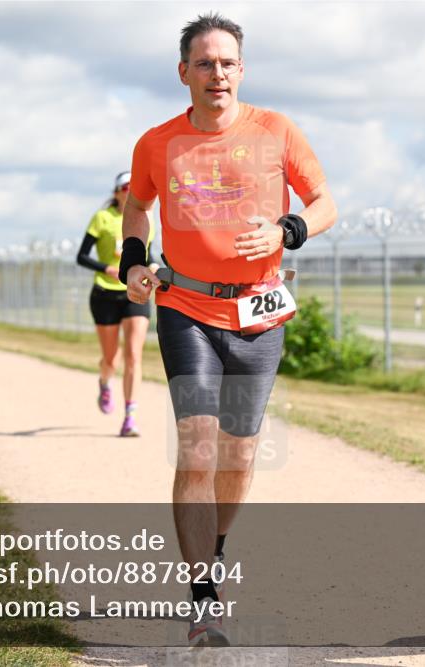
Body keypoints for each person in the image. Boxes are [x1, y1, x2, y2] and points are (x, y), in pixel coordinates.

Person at [120, 13, 336, 647]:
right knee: (198, 448)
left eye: (229, 63)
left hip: (258, 311)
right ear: (184, 71)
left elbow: (325, 203)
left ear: (242, 70)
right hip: (185, 306)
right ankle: (203, 597)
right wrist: (135, 262)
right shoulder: (157, 143)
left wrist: (287, 230)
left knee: (240, 454)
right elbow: (137, 205)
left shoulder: (275, 130)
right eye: (206, 63)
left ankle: (212, 549)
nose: (218, 74)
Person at [76, 171, 154, 437]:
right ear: (117, 191)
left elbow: (149, 255)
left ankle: (130, 416)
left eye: (136, 187)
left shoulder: (146, 219)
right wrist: (107, 268)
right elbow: (82, 257)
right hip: (105, 293)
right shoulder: (103, 218)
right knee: (112, 358)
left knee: (134, 354)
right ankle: (104, 381)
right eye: (126, 187)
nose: (130, 191)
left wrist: (153, 268)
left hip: (134, 293)